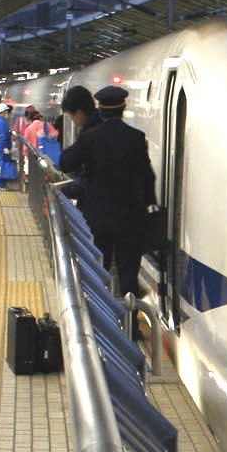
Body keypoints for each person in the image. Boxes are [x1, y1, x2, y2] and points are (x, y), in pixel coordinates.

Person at [60, 84, 156, 296]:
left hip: (99, 218)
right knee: (128, 274)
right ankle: (131, 325)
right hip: (131, 219)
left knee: (99, 270)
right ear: (123, 109)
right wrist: (147, 203)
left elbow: (66, 162)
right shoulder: (137, 138)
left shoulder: (90, 138)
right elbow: (148, 176)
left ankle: (104, 320)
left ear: (100, 110)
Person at [0, 106, 17, 190]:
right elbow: (3, 136)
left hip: (0, 146)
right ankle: (0, 184)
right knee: (2, 165)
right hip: (2, 147)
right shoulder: (1, 122)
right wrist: (5, 147)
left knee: (1, 165)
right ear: (4, 111)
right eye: (6, 111)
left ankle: (1, 184)